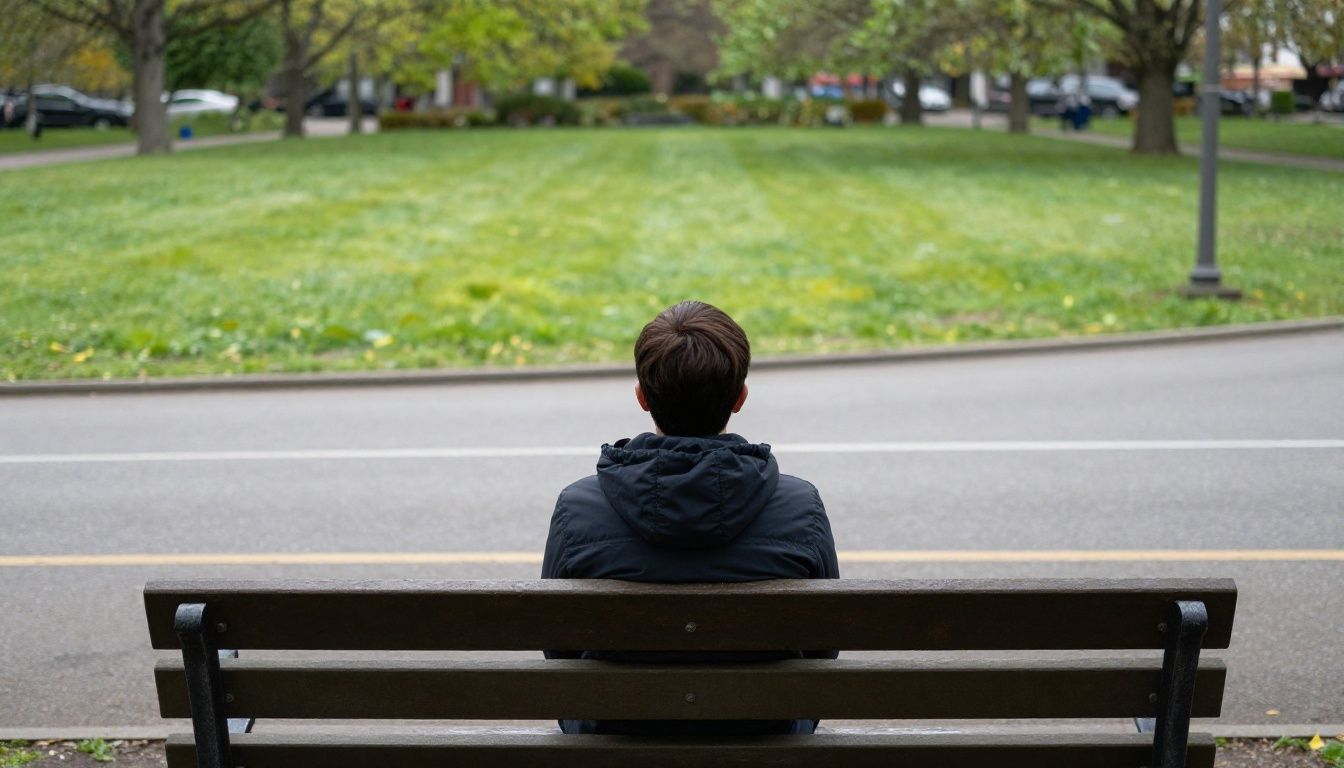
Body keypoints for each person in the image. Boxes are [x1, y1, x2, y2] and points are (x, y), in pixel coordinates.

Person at [541, 300, 840, 736]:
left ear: (642, 397)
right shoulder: (800, 506)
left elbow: (559, 650)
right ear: (740, 398)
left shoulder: (578, 507)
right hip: (764, 738)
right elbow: (822, 647)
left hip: (614, 739)